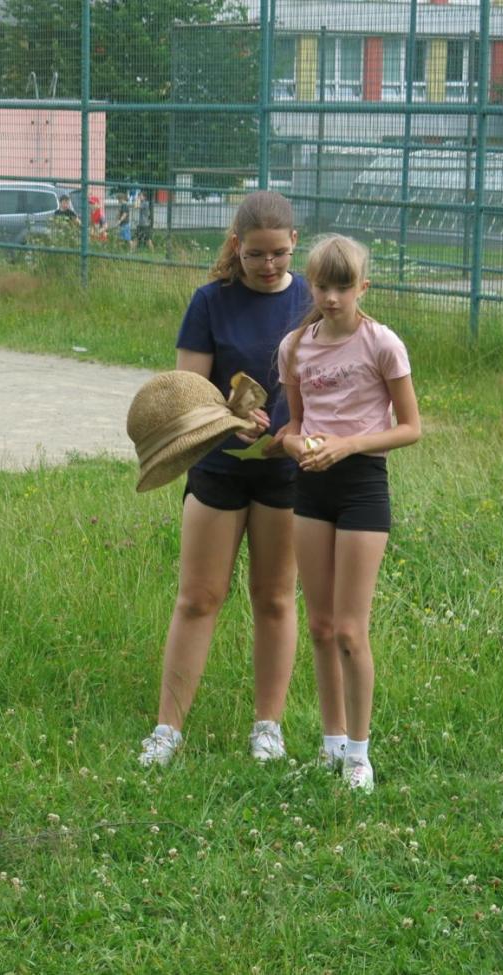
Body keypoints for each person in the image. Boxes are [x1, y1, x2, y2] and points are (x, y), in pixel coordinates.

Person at [139, 190, 310, 768]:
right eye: (256, 254)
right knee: (199, 598)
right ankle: (167, 731)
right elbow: (187, 394)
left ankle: (268, 729)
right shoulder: (210, 301)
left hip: (285, 472)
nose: (268, 265)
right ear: (236, 247)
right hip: (217, 469)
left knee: (275, 598)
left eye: (279, 254)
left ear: (294, 243)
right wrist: (230, 420)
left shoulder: (312, 299)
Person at [278, 234, 421, 793]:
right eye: (322, 286)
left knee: (349, 630)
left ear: (363, 286)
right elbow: (293, 426)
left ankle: (360, 754)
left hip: (362, 485)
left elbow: (410, 428)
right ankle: (332, 742)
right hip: (311, 487)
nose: (332, 298)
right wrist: (295, 444)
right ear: (310, 285)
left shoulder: (382, 344)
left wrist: (348, 445)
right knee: (319, 626)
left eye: (343, 287)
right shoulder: (295, 346)